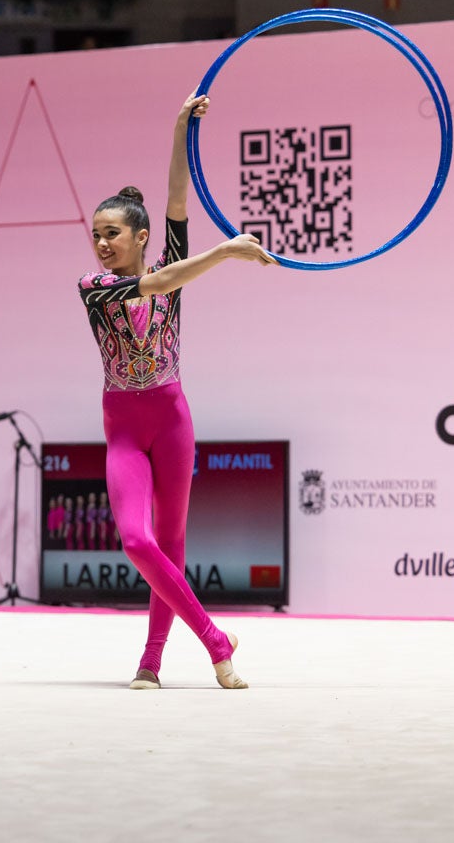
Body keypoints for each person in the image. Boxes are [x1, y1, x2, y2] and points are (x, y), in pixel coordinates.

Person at [77, 93, 275, 690]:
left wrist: (178, 129)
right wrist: (226, 251)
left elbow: (176, 201)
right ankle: (216, 640)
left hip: (172, 421)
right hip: (125, 428)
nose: (102, 244)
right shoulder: (94, 285)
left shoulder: (170, 264)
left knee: (170, 541)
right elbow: (160, 280)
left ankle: (152, 660)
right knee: (136, 539)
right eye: (96, 235)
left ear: (140, 236)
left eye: (112, 234)